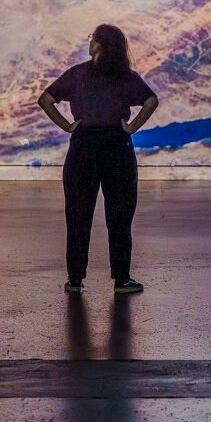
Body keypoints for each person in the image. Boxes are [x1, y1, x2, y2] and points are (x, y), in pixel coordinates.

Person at [37, 24, 159, 295]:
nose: (89, 41)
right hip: (117, 147)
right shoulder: (125, 76)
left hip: (83, 147)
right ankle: (122, 279)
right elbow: (151, 101)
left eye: (92, 38)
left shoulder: (77, 74)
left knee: (78, 215)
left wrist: (68, 126)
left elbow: (45, 99)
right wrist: (132, 126)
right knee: (120, 215)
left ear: (100, 44)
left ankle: (75, 279)